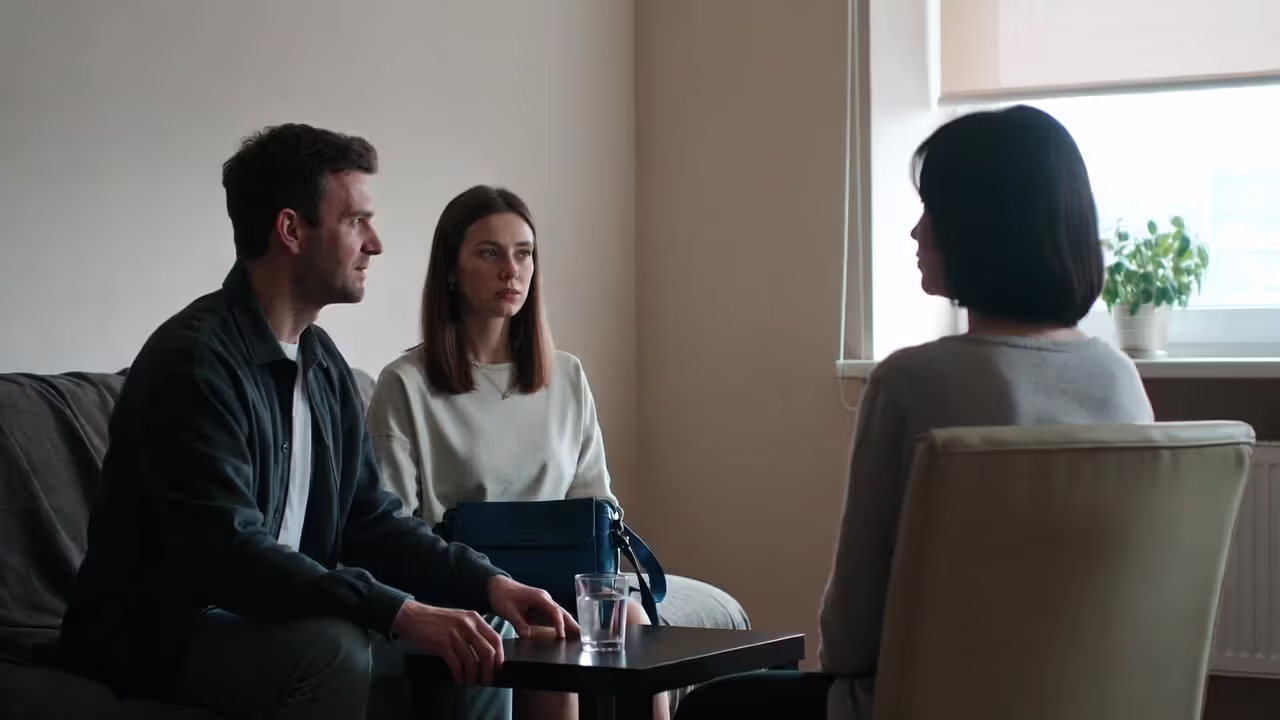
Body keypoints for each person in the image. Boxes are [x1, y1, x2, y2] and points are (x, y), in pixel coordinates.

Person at [56, 125, 578, 720]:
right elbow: (231, 553)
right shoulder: (194, 363)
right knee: (334, 650)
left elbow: (371, 521)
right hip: (160, 634)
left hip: (270, 616)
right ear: (291, 230)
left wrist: (490, 584)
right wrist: (397, 611)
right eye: (357, 221)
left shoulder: (323, 364)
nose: (375, 244)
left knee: (478, 635)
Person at [675, 105, 1155, 719]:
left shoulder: (912, 382)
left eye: (932, 209)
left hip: (929, 703)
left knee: (717, 707)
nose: (917, 232)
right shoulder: (1119, 379)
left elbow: (851, 635)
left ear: (980, 225)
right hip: (1093, 701)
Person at [365, 185, 670, 720]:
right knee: (547, 643)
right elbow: (391, 525)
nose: (512, 270)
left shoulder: (567, 376)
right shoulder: (406, 385)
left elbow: (595, 500)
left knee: (635, 624)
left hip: (562, 577)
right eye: (490, 252)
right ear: (452, 271)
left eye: (524, 253)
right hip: (466, 586)